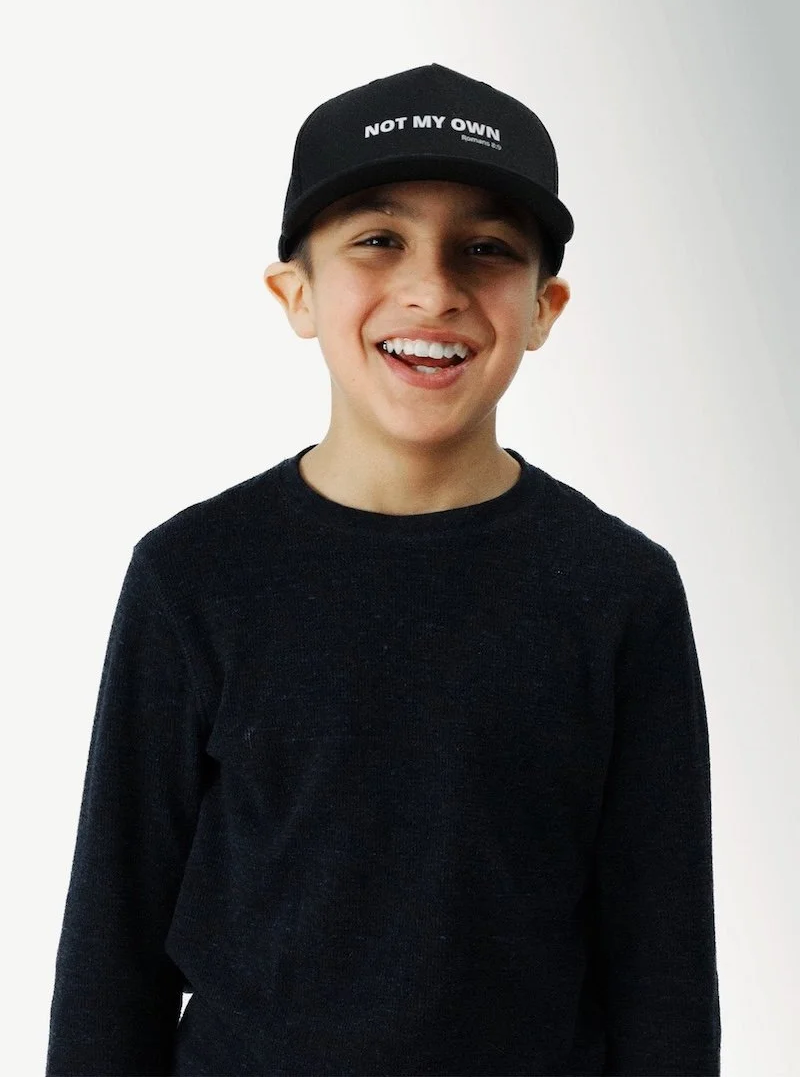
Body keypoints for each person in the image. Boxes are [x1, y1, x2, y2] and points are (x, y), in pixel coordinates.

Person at [46, 62, 721, 1075]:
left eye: (484, 250)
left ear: (543, 307)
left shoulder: (616, 590)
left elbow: (661, 968)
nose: (431, 288)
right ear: (296, 293)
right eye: (377, 240)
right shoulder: (193, 576)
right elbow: (112, 952)